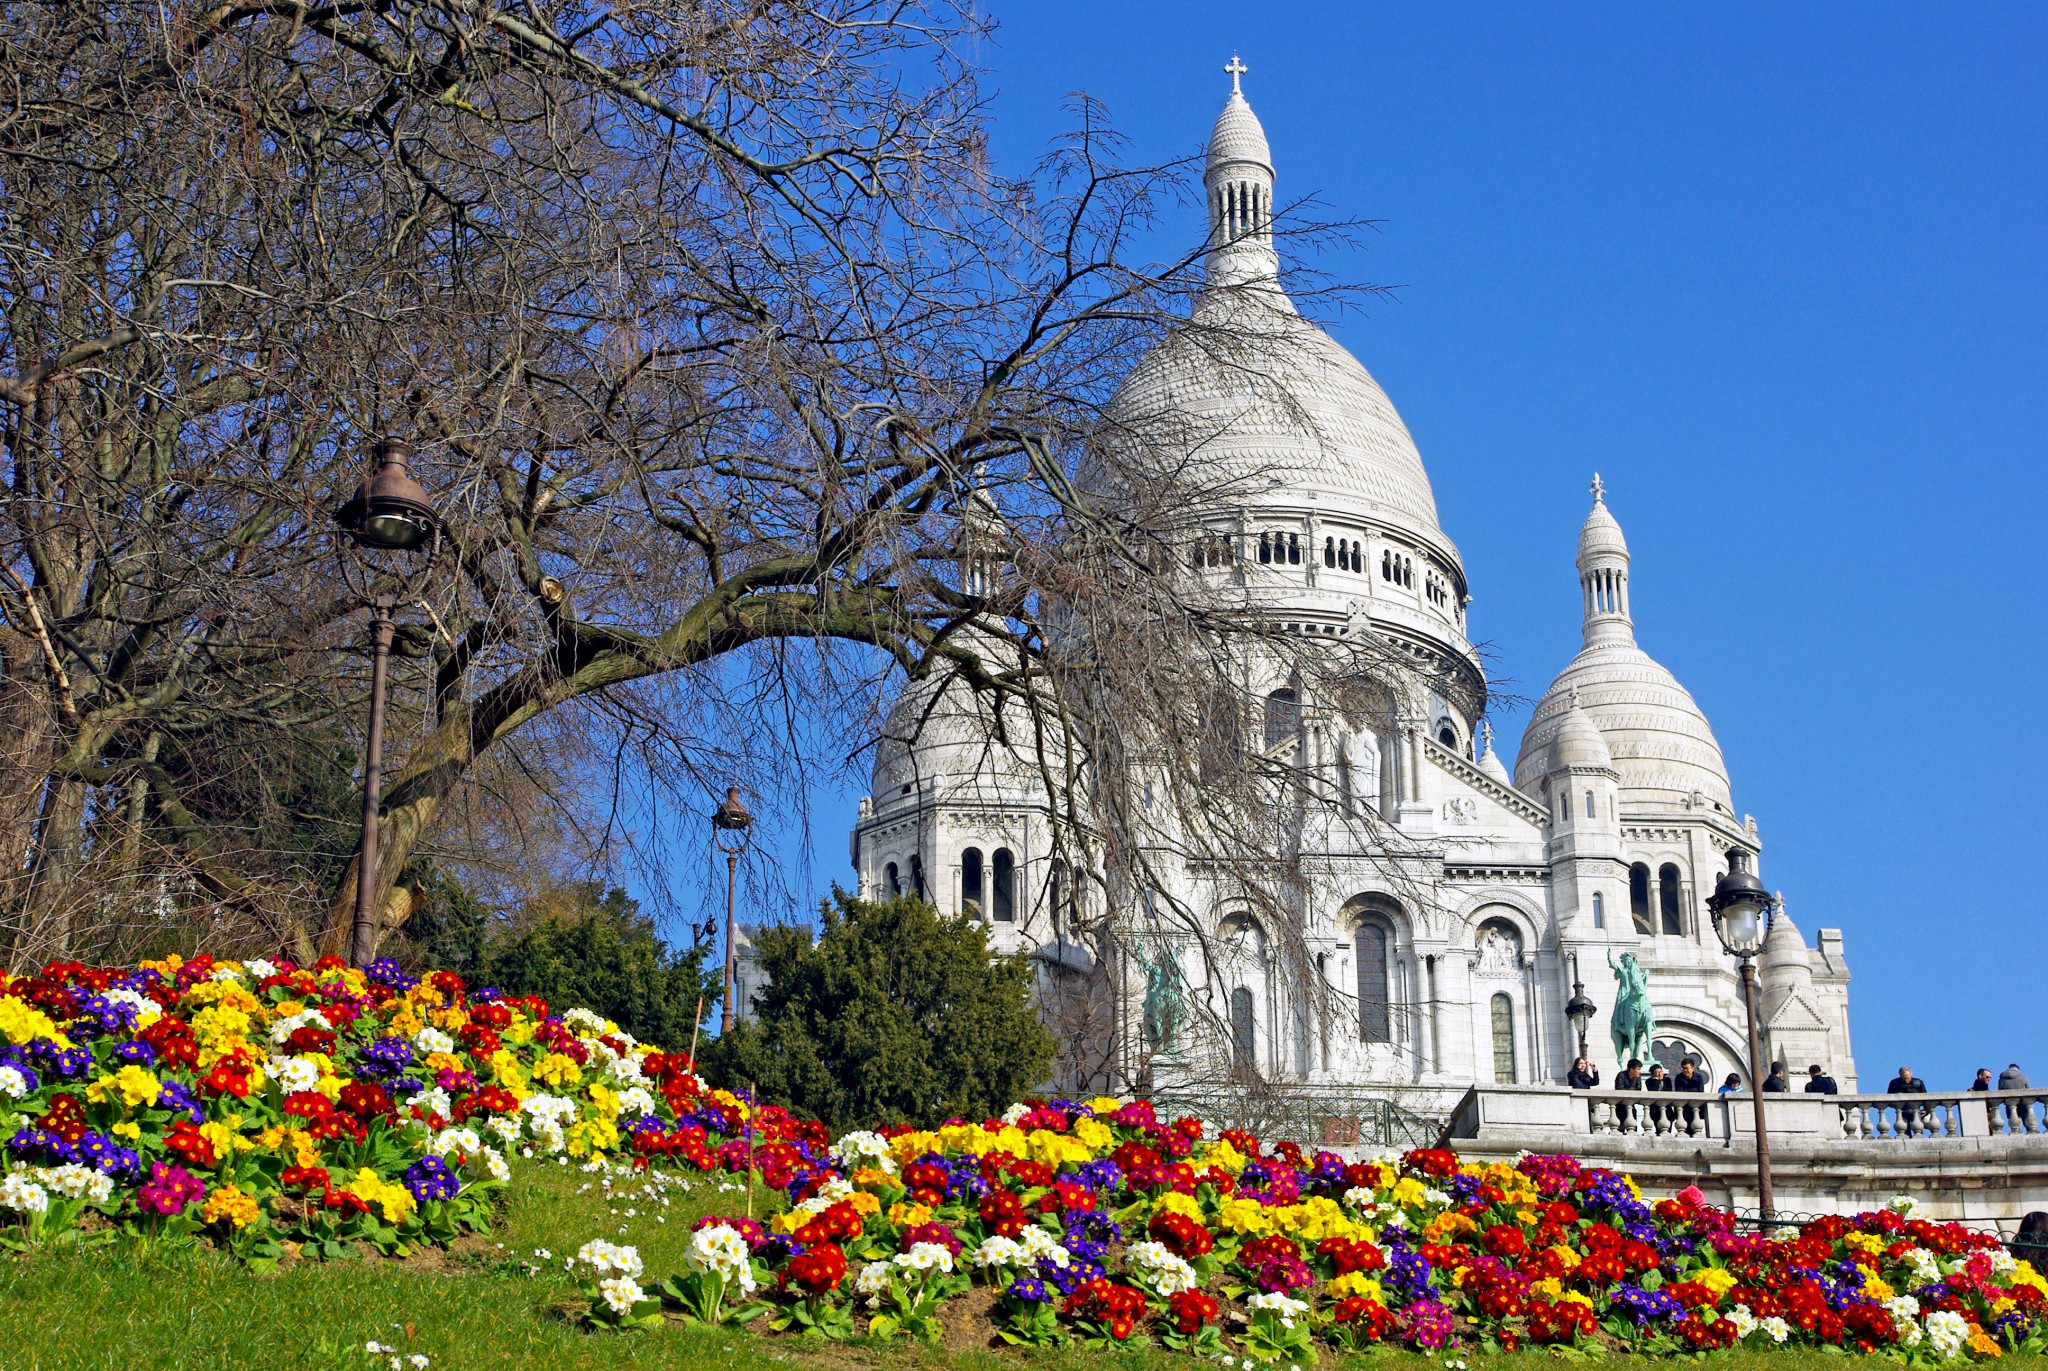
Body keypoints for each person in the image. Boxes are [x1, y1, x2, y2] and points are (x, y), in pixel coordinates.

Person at [1888, 1066, 1931, 1135]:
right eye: (1904, 1078)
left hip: (1916, 1111)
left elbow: (1926, 1098)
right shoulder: (1894, 1083)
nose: (1906, 1080)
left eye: (1907, 1078)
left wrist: (1926, 1110)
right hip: (1902, 1111)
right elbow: (1889, 1098)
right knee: (1904, 1132)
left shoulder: (1918, 1082)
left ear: (1911, 1074)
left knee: (1918, 1131)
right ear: (1900, 1075)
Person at [1672, 1057, 1707, 1133]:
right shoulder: (1679, 1078)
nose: (1685, 1070)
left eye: (1687, 1068)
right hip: (1684, 1106)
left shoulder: (1699, 1077)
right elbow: (1679, 1092)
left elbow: (1700, 1091)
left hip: (1696, 1105)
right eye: (1683, 1068)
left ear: (1692, 1069)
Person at [1998, 1063, 2032, 1131]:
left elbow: (2000, 1092)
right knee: (2027, 1121)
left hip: (2009, 1104)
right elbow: (2029, 1091)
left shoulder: (2002, 1078)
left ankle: (2016, 1132)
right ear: (2017, 1069)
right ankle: (2030, 1131)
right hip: (2023, 1103)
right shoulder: (2023, 1077)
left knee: (2014, 1124)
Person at [1614, 1058, 1645, 1129]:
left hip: (1631, 1104)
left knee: (1633, 1127)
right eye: (1638, 1069)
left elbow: (1638, 1090)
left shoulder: (1637, 1077)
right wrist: (1631, 1091)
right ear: (1631, 1069)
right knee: (1621, 1126)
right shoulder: (1621, 1075)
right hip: (1620, 1105)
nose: (1640, 1071)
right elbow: (1619, 1089)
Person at [1646, 1062, 1673, 1131]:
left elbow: (1669, 1090)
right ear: (1653, 1074)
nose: (1660, 1074)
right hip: (1655, 1108)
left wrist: (1661, 1080)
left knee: (1668, 1127)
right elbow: (1653, 1090)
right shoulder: (1649, 1081)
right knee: (1658, 1128)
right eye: (1657, 1072)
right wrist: (1657, 1080)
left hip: (1667, 1107)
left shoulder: (1667, 1080)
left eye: (1661, 1071)